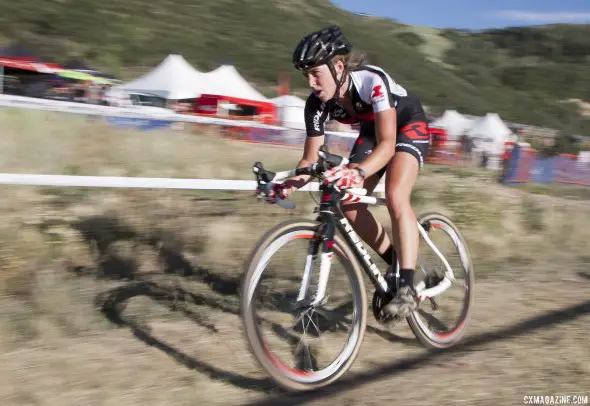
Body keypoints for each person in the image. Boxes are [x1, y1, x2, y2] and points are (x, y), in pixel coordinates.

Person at [262, 25, 431, 318]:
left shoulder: (372, 81)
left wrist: (359, 172)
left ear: (338, 66)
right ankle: (398, 262)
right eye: (307, 75)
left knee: (395, 195)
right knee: (348, 203)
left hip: (405, 127)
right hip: (372, 132)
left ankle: (406, 287)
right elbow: (308, 162)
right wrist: (288, 184)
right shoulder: (316, 104)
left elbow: (389, 143)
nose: (312, 82)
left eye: (316, 73)